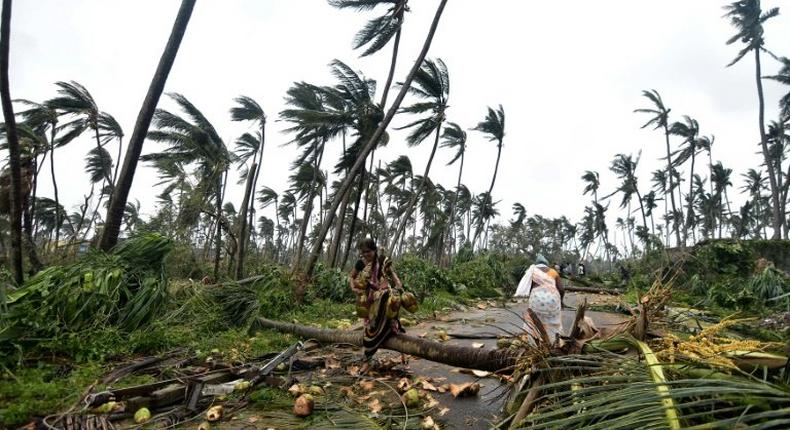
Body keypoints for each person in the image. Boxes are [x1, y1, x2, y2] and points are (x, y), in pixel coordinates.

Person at [349, 238, 405, 373]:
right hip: (369, 301)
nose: (365, 255)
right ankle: (367, 361)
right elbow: (351, 277)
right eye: (363, 252)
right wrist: (353, 288)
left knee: (388, 315)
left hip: (383, 297)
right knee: (370, 330)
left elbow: (392, 274)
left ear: (374, 250)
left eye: (368, 251)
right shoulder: (360, 263)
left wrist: (398, 284)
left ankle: (396, 344)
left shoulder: (382, 261)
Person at [514, 254, 563, 343]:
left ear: (537, 264)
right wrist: (561, 302)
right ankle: (554, 342)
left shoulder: (532, 271)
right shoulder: (553, 271)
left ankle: (534, 342)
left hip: (536, 298)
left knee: (534, 320)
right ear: (546, 264)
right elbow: (561, 289)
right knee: (553, 321)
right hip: (553, 299)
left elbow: (528, 286)